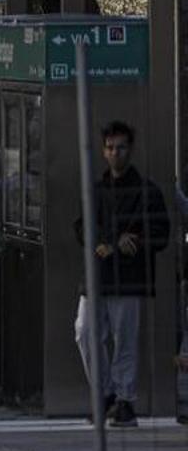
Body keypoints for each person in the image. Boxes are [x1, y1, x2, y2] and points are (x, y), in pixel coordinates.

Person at [73, 119, 169, 428]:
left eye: (121, 147)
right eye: (111, 148)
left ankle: (123, 399)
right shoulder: (97, 191)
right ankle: (107, 393)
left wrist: (132, 241)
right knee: (85, 332)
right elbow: (82, 227)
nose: (116, 153)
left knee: (124, 338)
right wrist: (112, 239)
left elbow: (160, 233)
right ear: (103, 151)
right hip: (98, 274)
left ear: (131, 149)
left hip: (129, 276)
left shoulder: (146, 191)